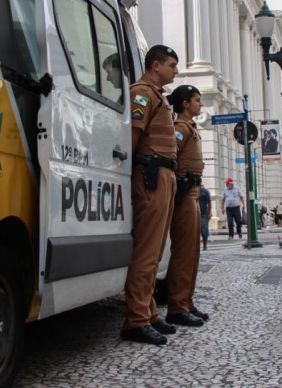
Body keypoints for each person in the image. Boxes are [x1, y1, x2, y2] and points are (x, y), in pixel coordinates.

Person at [121, 45, 180, 345]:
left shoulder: (157, 96)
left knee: (156, 252)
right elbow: (133, 137)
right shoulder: (142, 93)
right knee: (147, 252)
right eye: (171, 65)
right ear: (155, 65)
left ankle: (150, 313)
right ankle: (136, 320)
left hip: (164, 175)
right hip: (151, 176)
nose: (176, 71)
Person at [164, 85, 207, 328]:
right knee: (184, 250)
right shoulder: (181, 128)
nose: (200, 104)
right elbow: (171, 152)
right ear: (185, 104)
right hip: (185, 191)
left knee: (192, 250)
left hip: (193, 191)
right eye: (197, 100)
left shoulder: (189, 127)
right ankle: (178, 306)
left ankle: (186, 301)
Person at [198, 185, 211, 250]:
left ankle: (205, 245)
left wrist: (209, 213)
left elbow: (209, 202)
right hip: (196, 213)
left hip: (204, 213)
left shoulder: (205, 191)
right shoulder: (195, 191)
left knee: (204, 230)